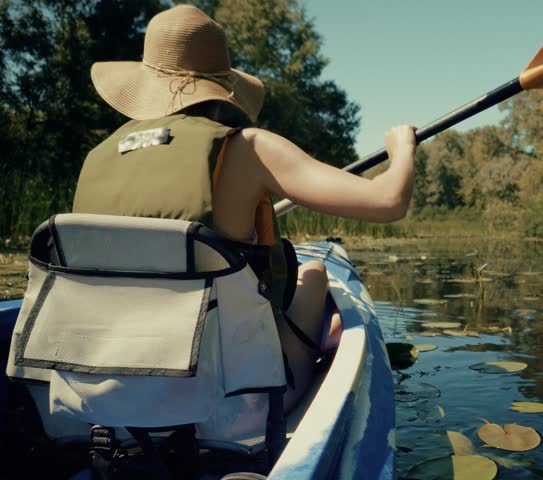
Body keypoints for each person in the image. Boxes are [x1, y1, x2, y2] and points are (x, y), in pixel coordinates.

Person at [72, 4, 415, 412]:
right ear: (222, 86)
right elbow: (388, 201)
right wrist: (402, 151)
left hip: (98, 402)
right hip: (227, 407)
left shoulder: (96, 158)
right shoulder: (248, 147)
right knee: (315, 273)